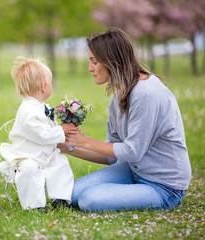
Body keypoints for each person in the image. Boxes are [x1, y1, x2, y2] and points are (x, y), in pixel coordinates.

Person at [59, 28, 191, 212]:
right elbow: (112, 156)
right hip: (134, 171)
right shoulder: (118, 98)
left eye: (94, 62)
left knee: (88, 200)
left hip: (164, 186)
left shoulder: (147, 93)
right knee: (71, 194)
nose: (90, 68)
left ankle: (135, 194)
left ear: (111, 61)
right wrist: (67, 148)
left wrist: (86, 141)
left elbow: (131, 152)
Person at [0, 56, 74, 211]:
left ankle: (60, 198)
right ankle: (34, 205)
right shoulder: (28, 110)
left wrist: (60, 129)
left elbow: (48, 127)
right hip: (27, 155)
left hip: (44, 153)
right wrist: (61, 130)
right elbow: (42, 135)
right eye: (50, 83)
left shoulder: (40, 106)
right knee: (29, 170)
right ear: (45, 86)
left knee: (60, 162)